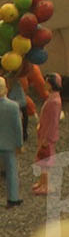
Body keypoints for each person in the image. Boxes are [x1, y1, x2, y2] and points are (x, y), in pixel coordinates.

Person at [31, 73, 62, 196]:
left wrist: (47, 137)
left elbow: (53, 122)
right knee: (41, 160)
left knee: (45, 161)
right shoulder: (52, 98)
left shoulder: (54, 101)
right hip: (44, 134)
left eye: (47, 82)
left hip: (47, 137)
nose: (44, 84)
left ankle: (46, 185)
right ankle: (42, 182)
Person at [0, 77, 22, 208]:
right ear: (6, 89)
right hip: (9, 145)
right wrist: (19, 144)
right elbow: (17, 128)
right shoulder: (13, 107)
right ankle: (13, 198)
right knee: (12, 171)